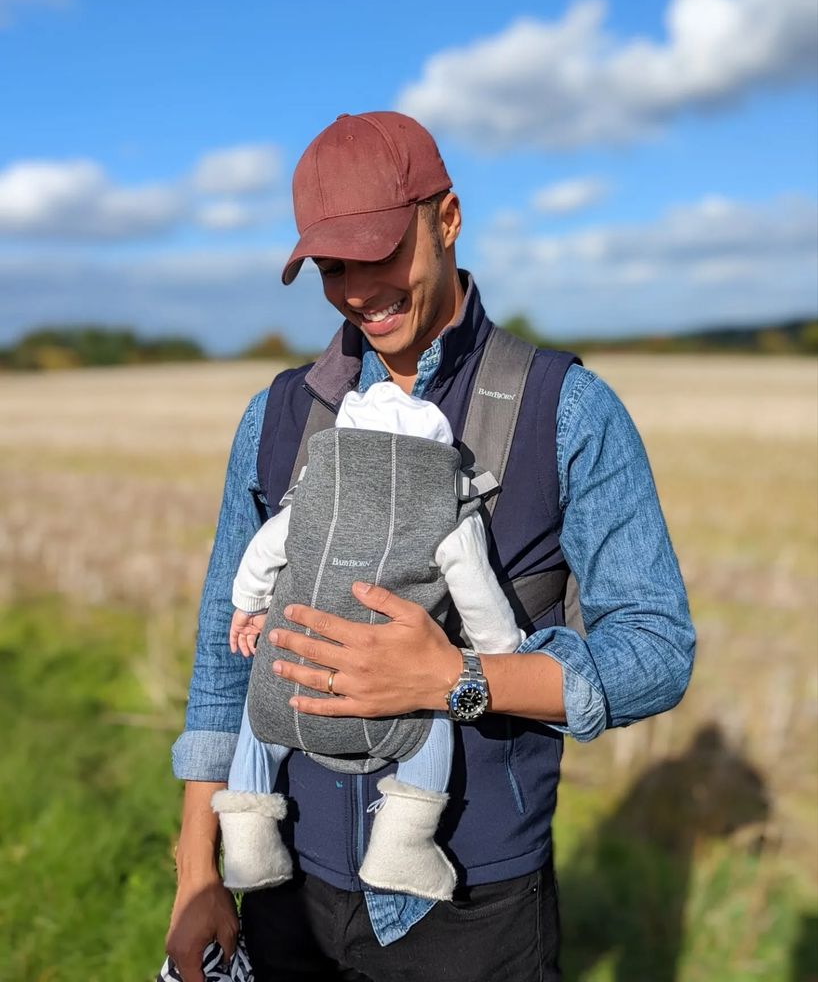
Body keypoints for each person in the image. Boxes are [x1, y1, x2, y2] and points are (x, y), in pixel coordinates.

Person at [165, 111, 695, 982]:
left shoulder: (566, 408)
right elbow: (222, 666)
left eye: (379, 254)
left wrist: (458, 680)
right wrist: (198, 875)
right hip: (283, 884)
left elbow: (657, 651)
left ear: (447, 219)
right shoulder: (277, 417)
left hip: (471, 905)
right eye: (333, 268)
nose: (358, 290)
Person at [213, 380, 525, 901]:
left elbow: (263, 550)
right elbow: (481, 603)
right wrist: (500, 651)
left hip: (290, 694)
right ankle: (403, 843)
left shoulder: (311, 500)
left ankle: (247, 840)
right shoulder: (449, 513)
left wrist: (248, 606)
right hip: (392, 716)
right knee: (436, 707)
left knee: (258, 711)